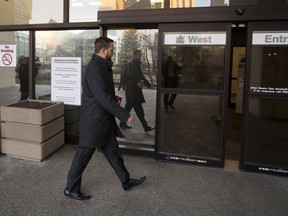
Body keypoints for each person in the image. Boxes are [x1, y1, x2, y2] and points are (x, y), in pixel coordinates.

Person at [64, 37, 146, 201]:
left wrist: (113, 98)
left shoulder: (102, 67)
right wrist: (125, 114)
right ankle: (71, 189)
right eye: (111, 49)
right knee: (83, 156)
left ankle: (125, 180)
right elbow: (102, 97)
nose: (113, 52)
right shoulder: (94, 68)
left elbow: (103, 94)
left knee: (114, 153)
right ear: (103, 50)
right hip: (94, 122)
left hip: (104, 121)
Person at [119, 50, 155, 133]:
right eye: (138, 55)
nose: (139, 57)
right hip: (132, 92)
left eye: (140, 55)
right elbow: (126, 78)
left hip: (135, 91)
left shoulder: (136, 65)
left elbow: (140, 76)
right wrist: (137, 83)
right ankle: (145, 127)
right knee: (139, 110)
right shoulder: (130, 65)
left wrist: (148, 84)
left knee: (129, 108)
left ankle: (122, 122)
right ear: (134, 55)